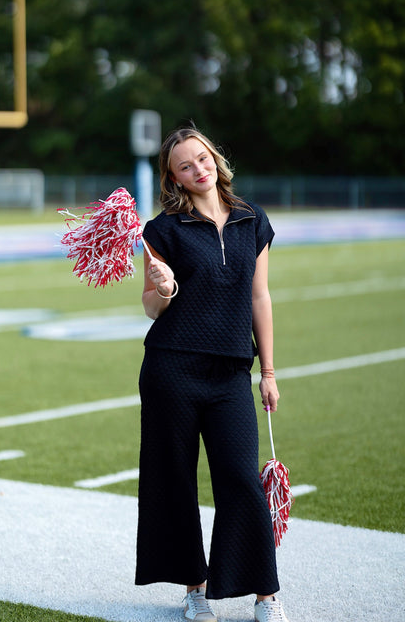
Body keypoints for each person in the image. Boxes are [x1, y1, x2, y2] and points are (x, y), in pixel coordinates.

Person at [135, 126, 289, 622]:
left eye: (201, 158)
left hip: (229, 376)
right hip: (171, 369)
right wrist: (163, 286)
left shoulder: (252, 221)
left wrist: (267, 370)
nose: (197, 169)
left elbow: (259, 297)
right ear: (174, 177)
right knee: (175, 480)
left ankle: (265, 594)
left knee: (241, 478)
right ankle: (194, 589)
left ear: (214, 159)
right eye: (185, 165)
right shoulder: (162, 230)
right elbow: (151, 308)